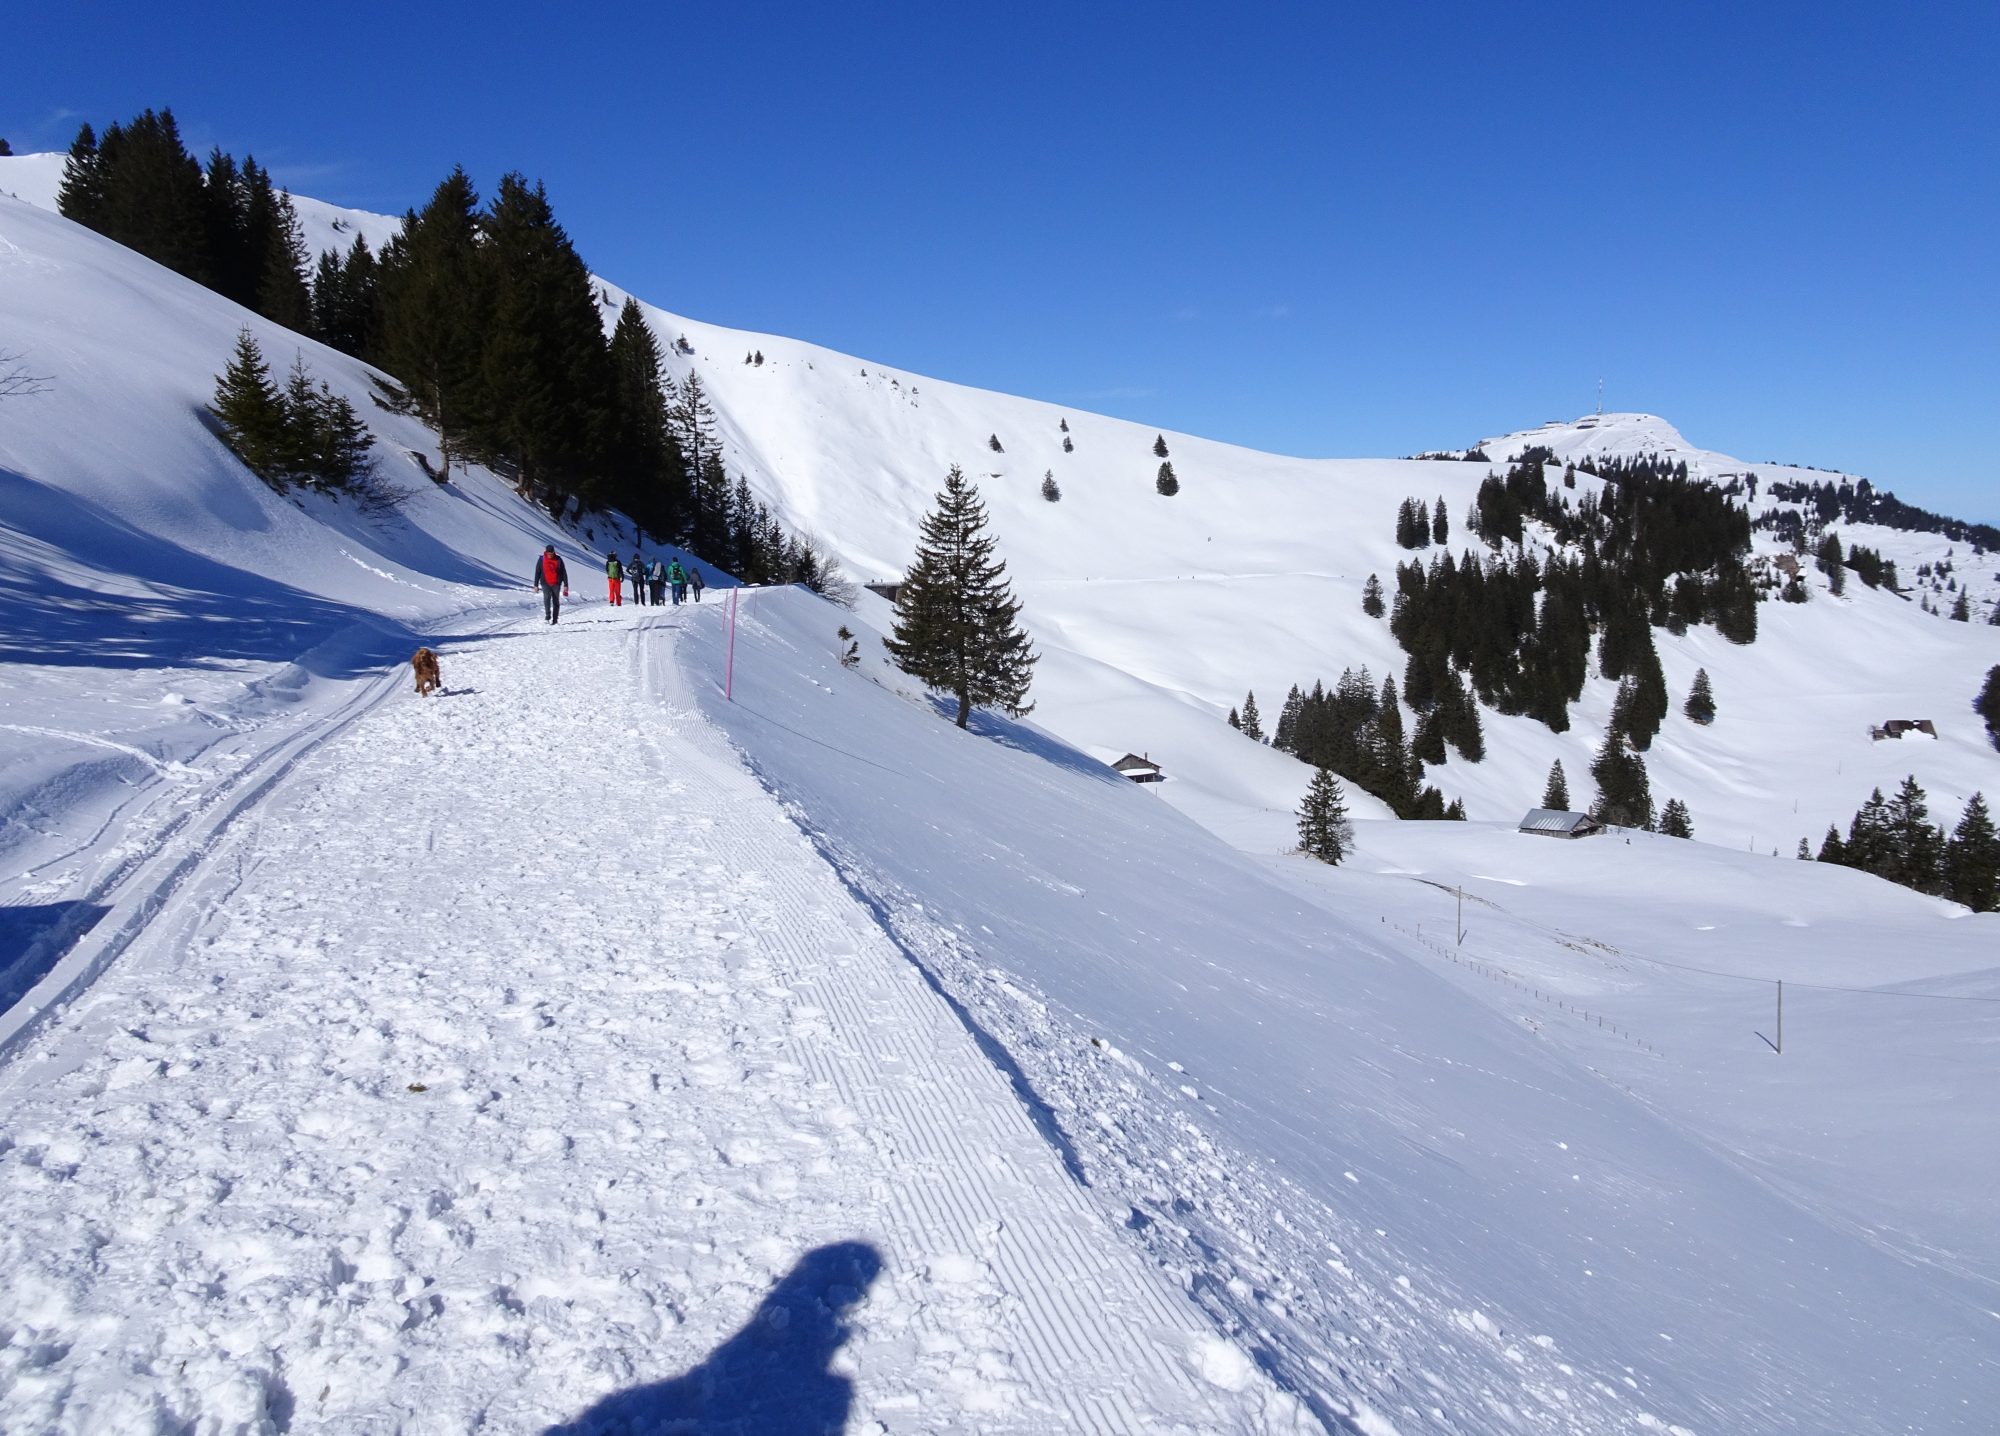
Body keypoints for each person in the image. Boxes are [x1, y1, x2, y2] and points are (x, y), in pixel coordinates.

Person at [532, 544, 571, 624]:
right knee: (547, 599)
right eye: (548, 553)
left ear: (554, 553)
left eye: (551, 554)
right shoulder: (541, 559)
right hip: (545, 582)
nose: (550, 555)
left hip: (556, 583)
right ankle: (547, 616)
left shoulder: (559, 559)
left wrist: (566, 585)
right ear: (546, 552)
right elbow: (537, 572)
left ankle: (555, 619)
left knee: (556, 601)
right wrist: (536, 585)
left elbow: (564, 573)